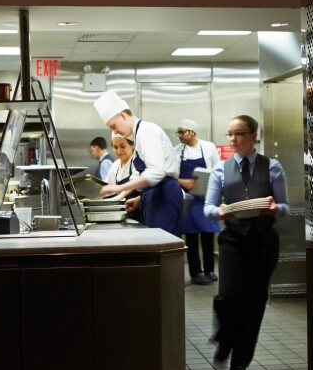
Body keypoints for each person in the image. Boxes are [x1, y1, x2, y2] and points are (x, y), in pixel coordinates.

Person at [203, 114, 289, 370]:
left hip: (263, 241)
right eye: (230, 134)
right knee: (228, 295)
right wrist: (220, 213)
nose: (233, 139)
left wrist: (275, 209)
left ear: (254, 136)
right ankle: (225, 337)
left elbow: (285, 206)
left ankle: (240, 359)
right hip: (233, 239)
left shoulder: (273, 167)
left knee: (254, 300)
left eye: (239, 134)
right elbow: (208, 208)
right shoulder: (220, 169)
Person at [94, 91, 182, 236]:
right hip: (154, 195)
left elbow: (157, 172)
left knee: (162, 245)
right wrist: (139, 199)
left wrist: (119, 187)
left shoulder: (147, 131)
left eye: (114, 126)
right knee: (155, 243)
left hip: (164, 195)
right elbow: (144, 174)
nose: (116, 131)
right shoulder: (140, 134)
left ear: (122, 115)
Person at [174, 119, 221, 285]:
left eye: (182, 131)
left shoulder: (208, 147)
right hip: (189, 200)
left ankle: (210, 270)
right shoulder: (177, 152)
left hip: (207, 198)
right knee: (191, 237)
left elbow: (217, 170)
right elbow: (172, 175)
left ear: (192, 132)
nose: (179, 135)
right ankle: (195, 273)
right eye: (178, 132)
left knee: (208, 234)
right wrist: (184, 182)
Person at [103, 132, 141, 203]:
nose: (119, 151)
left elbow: (135, 182)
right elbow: (108, 186)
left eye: (123, 146)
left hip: (139, 211)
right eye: (115, 147)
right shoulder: (116, 165)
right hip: (122, 210)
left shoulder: (137, 161)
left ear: (133, 145)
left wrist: (119, 197)